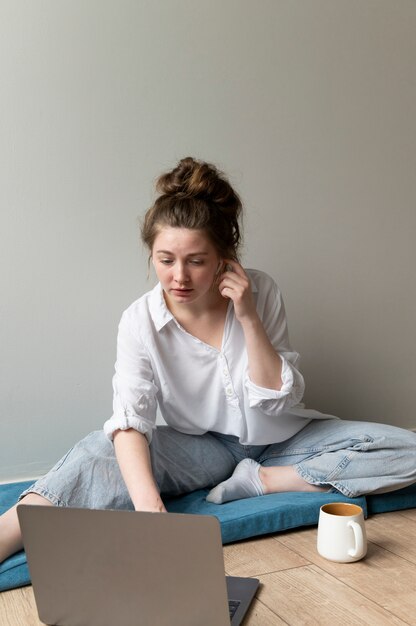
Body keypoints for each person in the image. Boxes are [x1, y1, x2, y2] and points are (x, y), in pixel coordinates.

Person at [1, 156, 415, 564]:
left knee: (405, 448)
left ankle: (264, 481)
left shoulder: (262, 291)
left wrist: (248, 315)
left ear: (223, 257)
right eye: (165, 260)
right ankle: (8, 533)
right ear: (152, 256)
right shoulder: (139, 320)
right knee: (99, 450)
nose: (179, 276)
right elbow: (131, 418)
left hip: (285, 439)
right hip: (202, 448)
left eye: (196, 261)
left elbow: (277, 401)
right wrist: (151, 512)